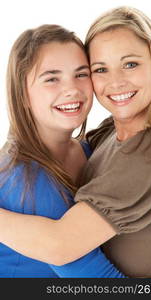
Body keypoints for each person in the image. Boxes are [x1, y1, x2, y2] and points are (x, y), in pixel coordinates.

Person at [0, 6, 151, 278]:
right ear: (22, 93)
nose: (116, 82)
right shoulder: (105, 136)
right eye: (100, 69)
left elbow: (63, 246)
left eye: (130, 64)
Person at [0, 24, 126, 278]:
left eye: (81, 74)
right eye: (51, 78)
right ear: (22, 93)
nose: (72, 89)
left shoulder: (88, 149)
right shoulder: (26, 178)